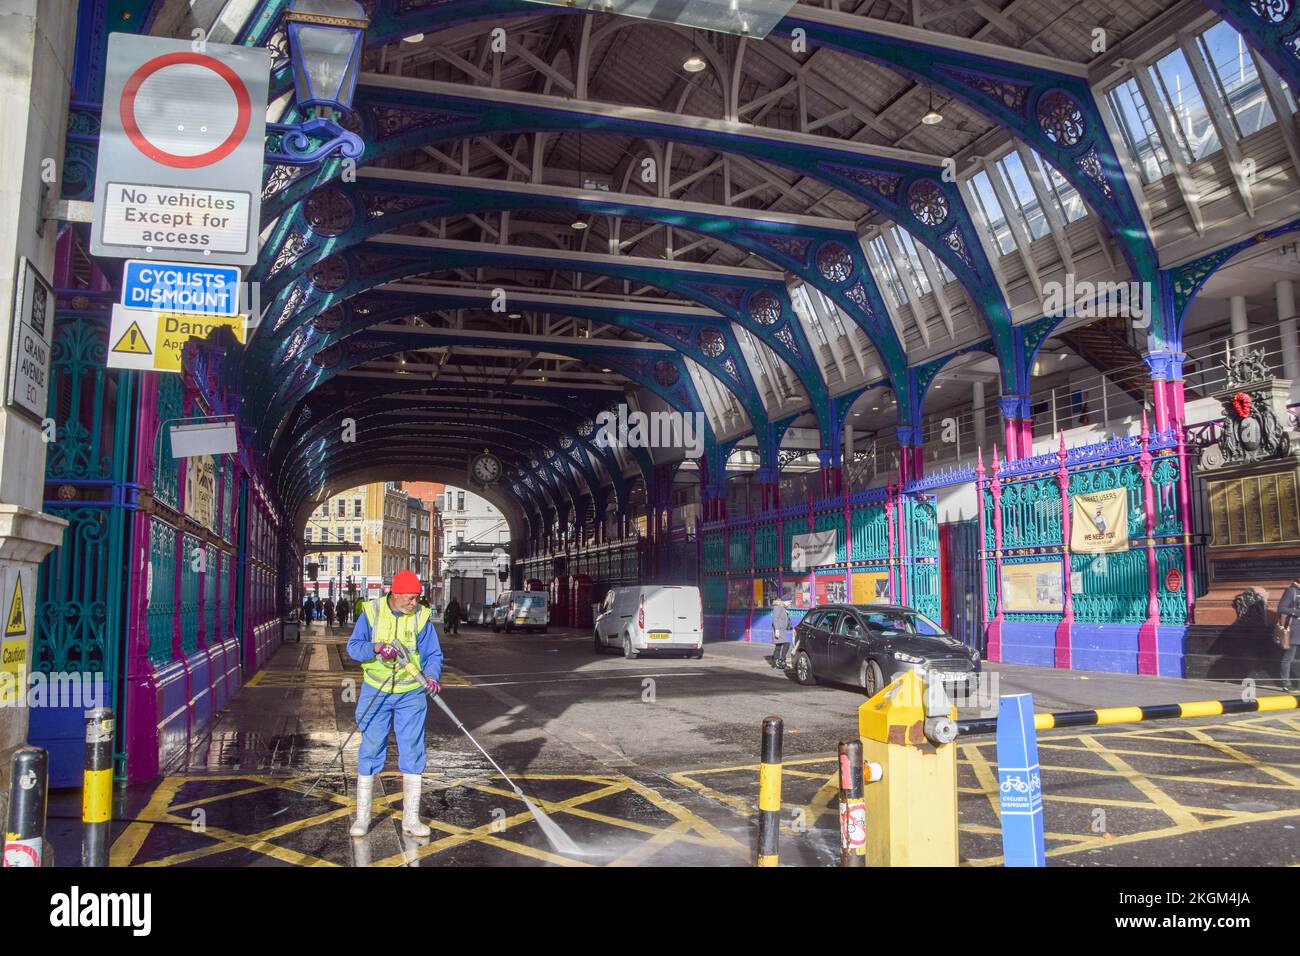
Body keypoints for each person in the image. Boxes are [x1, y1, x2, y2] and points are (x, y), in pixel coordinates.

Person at [346, 570, 443, 837]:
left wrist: (432, 675)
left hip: (410, 694)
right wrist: (376, 648)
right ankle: (362, 818)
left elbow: (433, 653)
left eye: (417, 599)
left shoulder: (422, 617)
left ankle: (411, 820)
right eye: (410, 599)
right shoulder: (372, 612)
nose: (415, 604)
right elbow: (353, 647)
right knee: (371, 747)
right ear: (395, 594)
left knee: (412, 749)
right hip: (375, 690)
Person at [1278, 576, 1300, 692]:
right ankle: (1286, 684)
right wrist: (1297, 612)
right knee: (1288, 658)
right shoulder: (1291, 591)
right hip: (1294, 630)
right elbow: (1282, 608)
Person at [771, 599, 792, 669]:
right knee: (786, 644)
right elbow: (775, 619)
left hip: (782, 630)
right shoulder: (777, 607)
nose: (789, 603)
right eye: (789, 602)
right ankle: (781, 661)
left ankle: (776, 663)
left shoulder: (782, 608)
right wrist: (777, 630)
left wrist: (786, 613)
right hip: (779, 630)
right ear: (783, 601)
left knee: (779, 646)